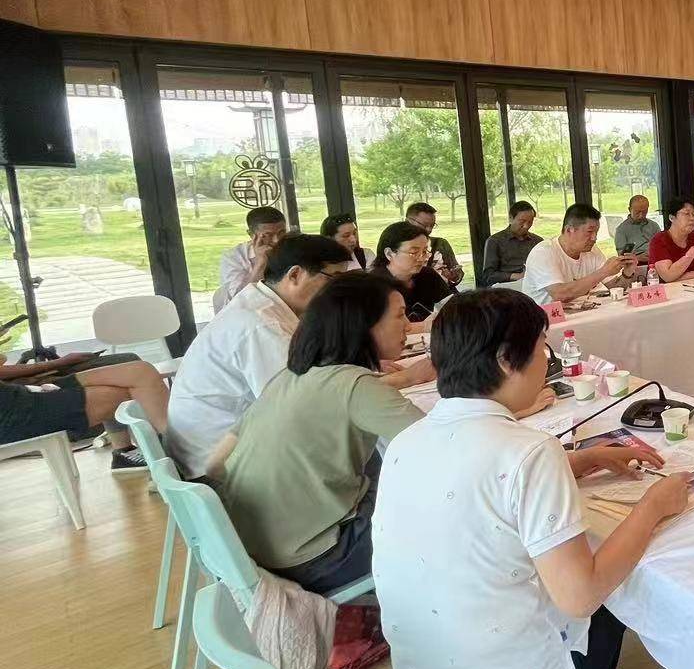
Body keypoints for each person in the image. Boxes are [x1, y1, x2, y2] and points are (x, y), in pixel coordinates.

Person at [373, 289, 687, 669]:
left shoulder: (408, 439)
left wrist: (584, 458)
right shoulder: (527, 452)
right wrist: (654, 506)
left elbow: (484, 482)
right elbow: (581, 596)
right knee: (614, 591)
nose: (548, 359)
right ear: (504, 359)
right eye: (542, 347)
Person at [209, 272, 427, 595]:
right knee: (442, 511)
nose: (408, 326)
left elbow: (216, 461)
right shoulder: (357, 387)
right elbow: (441, 449)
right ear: (365, 325)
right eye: (399, 315)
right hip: (316, 558)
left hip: (250, 549)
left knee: (378, 464)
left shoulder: (289, 377)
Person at [167, 233, 351, 478]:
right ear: (295, 275)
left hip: (217, 449)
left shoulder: (261, 302)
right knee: (360, 453)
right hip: (220, 469)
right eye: (333, 279)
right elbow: (300, 403)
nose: (338, 291)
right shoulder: (261, 324)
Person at [0, 349, 170, 474]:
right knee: (132, 390)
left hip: (24, 393)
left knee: (140, 370)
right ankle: (171, 459)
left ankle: (170, 451)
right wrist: (58, 363)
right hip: (18, 413)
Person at [524, 204, 634, 304]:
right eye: (589, 232)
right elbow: (560, 294)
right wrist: (604, 271)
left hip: (581, 312)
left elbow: (614, 287)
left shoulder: (592, 250)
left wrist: (627, 273)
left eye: (596, 232)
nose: (594, 238)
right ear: (569, 230)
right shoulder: (543, 252)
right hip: (543, 316)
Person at [373, 221, 454, 326]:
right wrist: (425, 326)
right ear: (389, 254)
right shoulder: (373, 286)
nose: (422, 258)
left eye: (424, 252)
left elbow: (452, 308)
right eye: (414, 253)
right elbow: (380, 329)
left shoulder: (428, 275)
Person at [213, 206, 288, 312]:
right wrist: (260, 263)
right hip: (250, 312)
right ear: (251, 234)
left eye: (281, 232)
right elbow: (238, 300)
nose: (277, 240)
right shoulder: (234, 257)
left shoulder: (291, 248)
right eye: (268, 235)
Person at [647, 198, 694, 282]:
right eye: (686, 214)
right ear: (672, 217)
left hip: (692, 286)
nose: (692, 218)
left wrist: (679, 278)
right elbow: (668, 276)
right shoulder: (659, 240)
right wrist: (690, 255)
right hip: (666, 289)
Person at [481, 201, 542, 285]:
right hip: (506, 287)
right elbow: (488, 276)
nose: (526, 226)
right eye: (522, 221)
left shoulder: (537, 241)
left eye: (530, 222)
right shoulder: (495, 241)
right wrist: (517, 276)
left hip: (534, 284)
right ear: (511, 219)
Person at [405, 202, 464, 287]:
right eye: (424, 225)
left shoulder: (441, 244)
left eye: (432, 226)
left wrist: (454, 276)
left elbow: (456, 272)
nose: (429, 230)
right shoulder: (396, 247)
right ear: (408, 221)